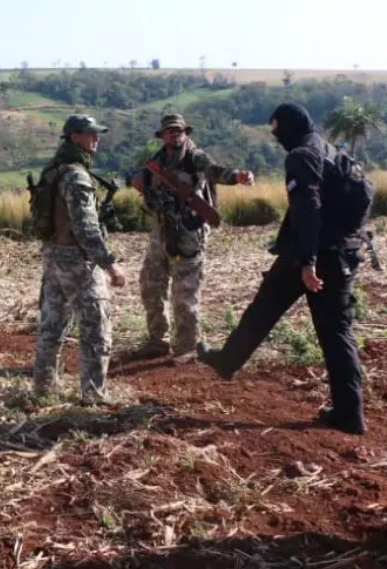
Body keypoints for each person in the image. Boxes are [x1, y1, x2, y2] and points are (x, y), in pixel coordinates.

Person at [198, 102, 370, 435]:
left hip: (310, 254)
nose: (276, 138)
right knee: (335, 331)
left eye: (277, 130)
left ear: (288, 127)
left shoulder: (301, 155)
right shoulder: (330, 151)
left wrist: (308, 261)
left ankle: (227, 360)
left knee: (267, 306)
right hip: (341, 252)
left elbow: (308, 208)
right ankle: (350, 413)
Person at [128, 114, 255, 359]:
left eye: (178, 130)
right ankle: (158, 341)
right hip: (161, 230)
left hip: (189, 231)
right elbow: (140, 179)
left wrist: (238, 176)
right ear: (162, 135)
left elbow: (216, 172)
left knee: (184, 293)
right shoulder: (157, 160)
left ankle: (187, 347)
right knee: (150, 285)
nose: (174, 134)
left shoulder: (195, 157)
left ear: (186, 133)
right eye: (169, 131)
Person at [32, 114, 127, 405]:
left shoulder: (54, 169)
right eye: (90, 134)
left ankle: (43, 390)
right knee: (96, 329)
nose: (96, 138)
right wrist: (110, 265)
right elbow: (86, 227)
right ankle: (93, 397)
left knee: (51, 327)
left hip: (52, 258)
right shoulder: (76, 176)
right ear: (74, 137)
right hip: (77, 262)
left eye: (96, 133)